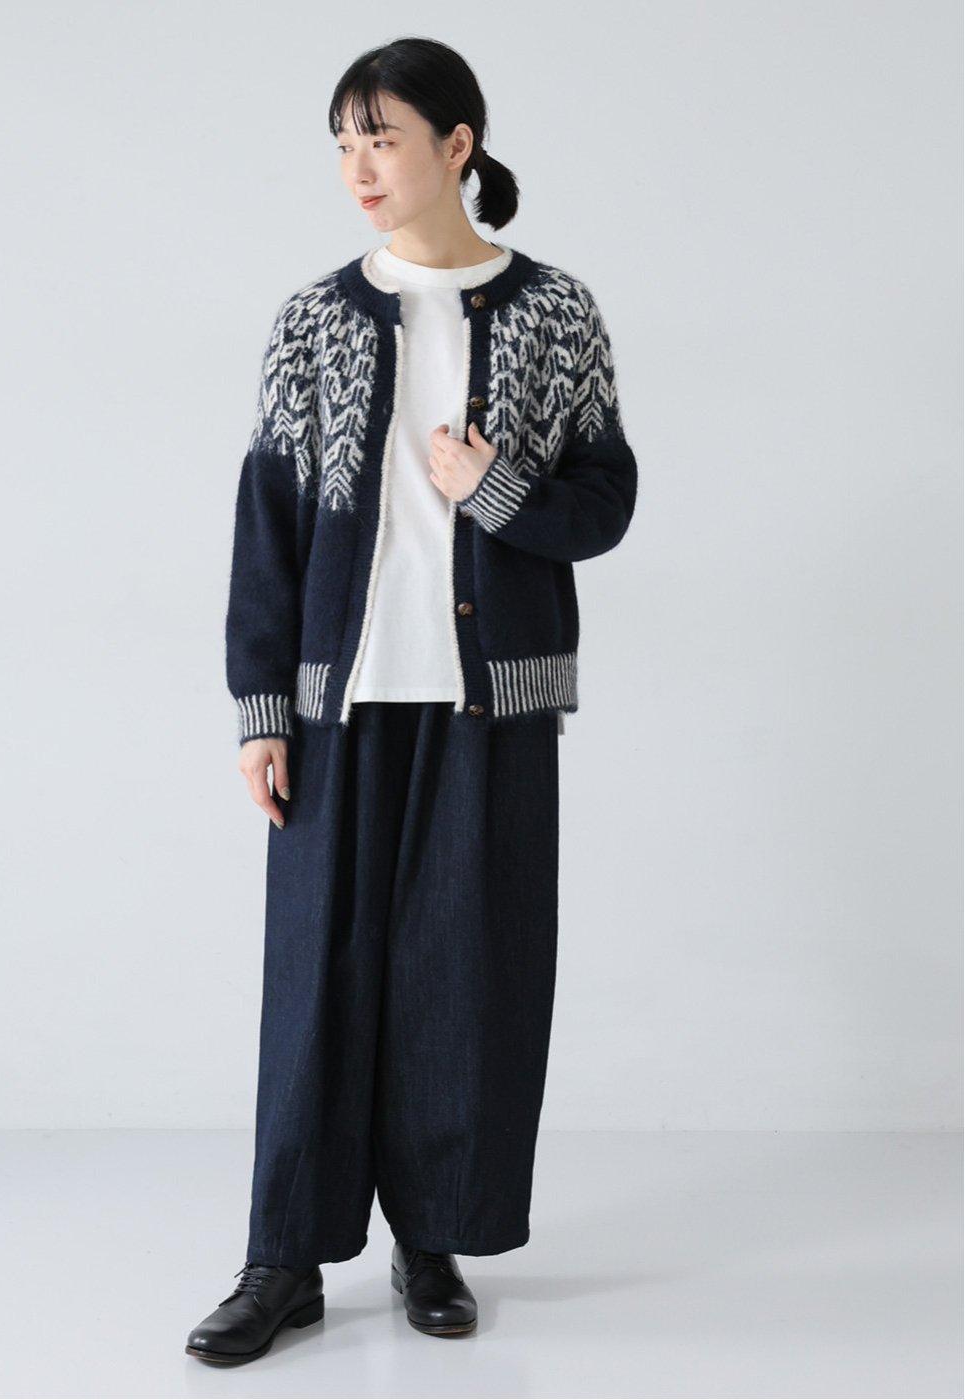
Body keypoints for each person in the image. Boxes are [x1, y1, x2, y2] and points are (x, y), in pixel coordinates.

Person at [186, 35, 638, 1365]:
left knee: (466, 975)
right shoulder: (317, 321)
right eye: (344, 143)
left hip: (493, 703)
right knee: (316, 978)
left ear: (458, 145)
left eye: (382, 137)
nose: (359, 167)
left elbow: (605, 503)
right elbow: (268, 525)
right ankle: (284, 1260)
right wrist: (261, 708)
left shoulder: (556, 313)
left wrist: (492, 489)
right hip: (340, 704)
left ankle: (430, 1239)